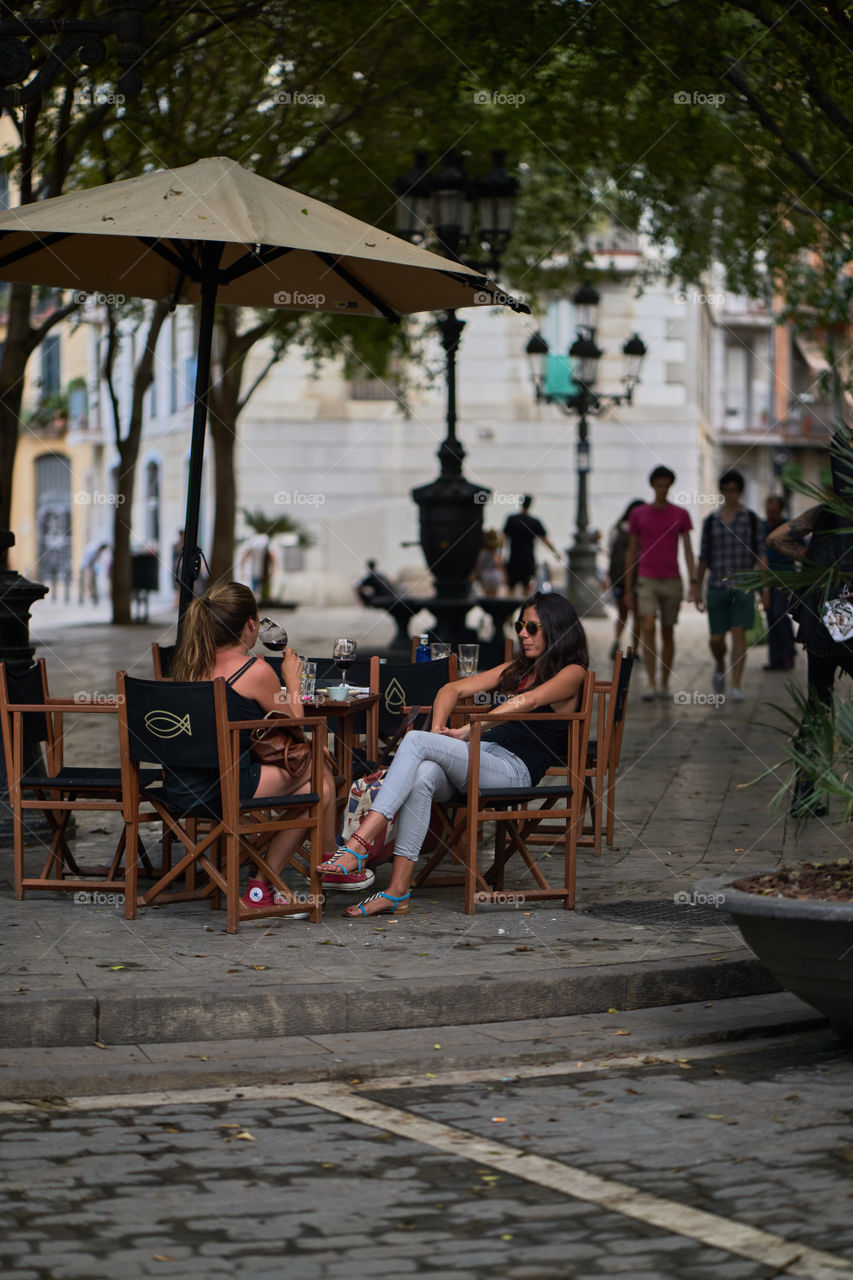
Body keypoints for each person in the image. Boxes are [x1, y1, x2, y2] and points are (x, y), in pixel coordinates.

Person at [318, 591, 589, 918]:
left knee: (417, 744)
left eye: (532, 627)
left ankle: (359, 844)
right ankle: (397, 892)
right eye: (520, 625)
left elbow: (526, 703)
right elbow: (452, 689)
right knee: (422, 774)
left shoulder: (573, 672)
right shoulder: (519, 668)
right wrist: (437, 736)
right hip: (480, 756)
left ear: (557, 630)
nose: (522, 633)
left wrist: (468, 730)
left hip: (513, 769)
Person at [169, 581, 338, 911]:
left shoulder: (189, 667)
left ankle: (320, 866)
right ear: (250, 624)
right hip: (228, 787)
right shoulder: (256, 671)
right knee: (320, 782)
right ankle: (275, 881)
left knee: (319, 774)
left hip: (179, 788)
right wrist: (291, 679)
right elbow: (295, 725)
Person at [766, 439, 853, 813]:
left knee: (818, 705)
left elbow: (777, 538)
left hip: (825, 621)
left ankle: (808, 794)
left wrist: (814, 559)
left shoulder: (824, 514)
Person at [694, 470, 769, 702]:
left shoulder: (752, 520)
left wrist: (764, 588)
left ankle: (736, 684)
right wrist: (697, 589)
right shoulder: (711, 521)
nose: (730, 494)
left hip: (743, 587)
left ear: (740, 491)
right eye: (726, 490)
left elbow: (761, 556)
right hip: (717, 586)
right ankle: (719, 665)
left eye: (734, 490)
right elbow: (704, 557)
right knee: (716, 639)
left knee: (739, 635)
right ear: (721, 491)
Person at [624, 466, 695, 700]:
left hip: (672, 579)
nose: (662, 489)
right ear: (652, 485)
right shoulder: (639, 514)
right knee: (647, 624)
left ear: (670, 486)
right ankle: (652, 682)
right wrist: (627, 586)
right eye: (659, 485)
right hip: (646, 579)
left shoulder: (680, 514)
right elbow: (631, 551)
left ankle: (664, 682)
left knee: (667, 630)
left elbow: (687, 550)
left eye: (666, 485)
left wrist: (693, 581)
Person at [503, 496, 563, 595]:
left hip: (514, 558)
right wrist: (555, 552)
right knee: (527, 589)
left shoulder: (511, 519)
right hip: (528, 558)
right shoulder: (534, 522)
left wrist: (501, 554)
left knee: (510, 588)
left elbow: (504, 538)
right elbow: (545, 540)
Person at [607, 500, 644, 660]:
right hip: (638, 578)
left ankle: (616, 641)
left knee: (622, 614)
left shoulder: (617, 529)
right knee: (637, 616)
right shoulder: (640, 530)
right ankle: (634, 650)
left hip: (619, 578)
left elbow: (610, 552)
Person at [762, 495, 796, 671]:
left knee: (779, 614)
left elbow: (800, 549)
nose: (770, 514)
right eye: (768, 511)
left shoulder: (789, 527)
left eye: (774, 511)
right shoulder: (761, 527)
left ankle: (788, 653)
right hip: (765, 577)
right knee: (770, 616)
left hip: (785, 578)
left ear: (781, 510)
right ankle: (775, 657)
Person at [473, 529, 507, 597]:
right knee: (494, 595)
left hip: (485, 574)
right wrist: (505, 574)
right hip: (495, 573)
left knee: (487, 595)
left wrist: (474, 574)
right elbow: (500, 563)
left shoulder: (482, 552)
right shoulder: (497, 551)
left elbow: (478, 565)